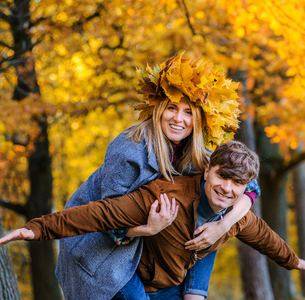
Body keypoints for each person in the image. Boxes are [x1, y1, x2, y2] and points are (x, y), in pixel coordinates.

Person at [0, 140, 305, 300]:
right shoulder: (166, 197)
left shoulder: (236, 216)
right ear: (207, 170)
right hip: (132, 281)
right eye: (222, 177)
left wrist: (292, 261)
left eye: (237, 184)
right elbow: (100, 214)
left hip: (171, 285)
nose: (227, 188)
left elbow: (265, 237)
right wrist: (35, 228)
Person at [54, 53, 260, 300]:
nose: (178, 119)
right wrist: (147, 229)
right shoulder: (129, 150)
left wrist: (222, 226)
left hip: (147, 250)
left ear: (198, 119)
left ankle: (195, 293)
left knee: (213, 207)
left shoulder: (199, 152)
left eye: (188, 112)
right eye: (172, 108)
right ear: (159, 109)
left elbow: (249, 186)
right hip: (100, 245)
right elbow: (108, 219)